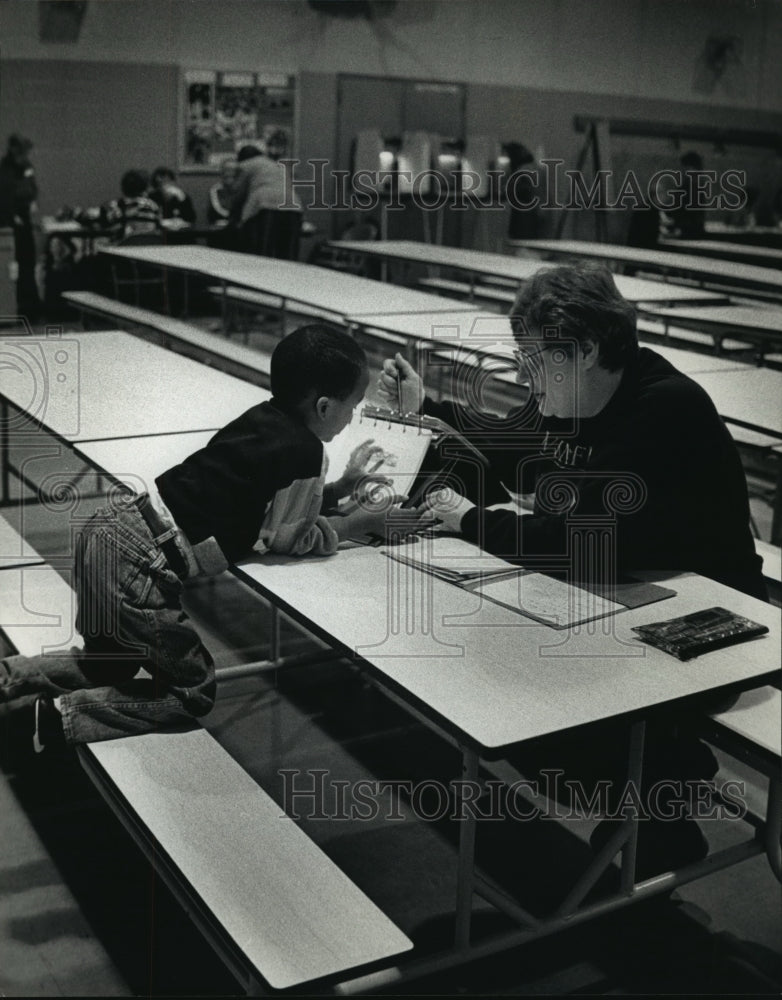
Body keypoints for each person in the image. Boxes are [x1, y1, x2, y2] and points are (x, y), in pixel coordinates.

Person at [377, 262, 767, 877]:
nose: (528, 381)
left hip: (710, 625)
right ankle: (656, 788)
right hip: (634, 594)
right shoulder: (580, 394)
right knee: (501, 681)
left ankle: (664, 794)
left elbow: (575, 543)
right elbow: (511, 446)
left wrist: (470, 519)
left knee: (541, 704)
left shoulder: (665, 408)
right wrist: (425, 407)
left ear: (583, 350)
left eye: (534, 362)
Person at [0, 324, 432, 753]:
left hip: (110, 528)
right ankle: (52, 719)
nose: (352, 417)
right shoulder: (306, 453)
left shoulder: (262, 417)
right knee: (192, 692)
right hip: (139, 566)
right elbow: (291, 538)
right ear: (323, 406)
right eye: (352, 407)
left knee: (109, 661)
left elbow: (273, 504)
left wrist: (341, 487)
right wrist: (364, 524)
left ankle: (8, 678)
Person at [229, 142, 302, 258]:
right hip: (294, 206)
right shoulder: (276, 165)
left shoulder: (245, 164)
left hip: (266, 205)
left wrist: (233, 217)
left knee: (264, 252)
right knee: (288, 254)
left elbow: (238, 193)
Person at [0, 133, 42, 319]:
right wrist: (12, 216)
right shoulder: (5, 169)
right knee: (14, 265)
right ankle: (15, 304)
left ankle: (31, 304)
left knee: (28, 263)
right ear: (14, 150)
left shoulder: (26, 166)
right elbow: (5, 196)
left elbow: (32, 188)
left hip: (25, 218)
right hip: (10, 222)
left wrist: (33, 201)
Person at [100, 169, 162, 239]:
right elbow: (158, 227)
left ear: (124, 187)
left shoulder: (114, 206)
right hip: (150, 246)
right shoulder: (153, 206)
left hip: (123, 246)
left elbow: (105, 228)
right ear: (145, 187)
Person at [669, 150, 707, 239]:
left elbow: (680, 211)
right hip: (696, 230)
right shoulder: (699, 185)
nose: (682, 170)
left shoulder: (688, 186)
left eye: (684, 167)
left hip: (686, 231)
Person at [207, 158, 239, 226]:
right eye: (226, 170)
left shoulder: (243, 189)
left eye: (233, 170)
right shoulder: (215, 190)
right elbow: (217, 210)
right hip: (219, 224)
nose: (229, 173)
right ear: (221, 173)